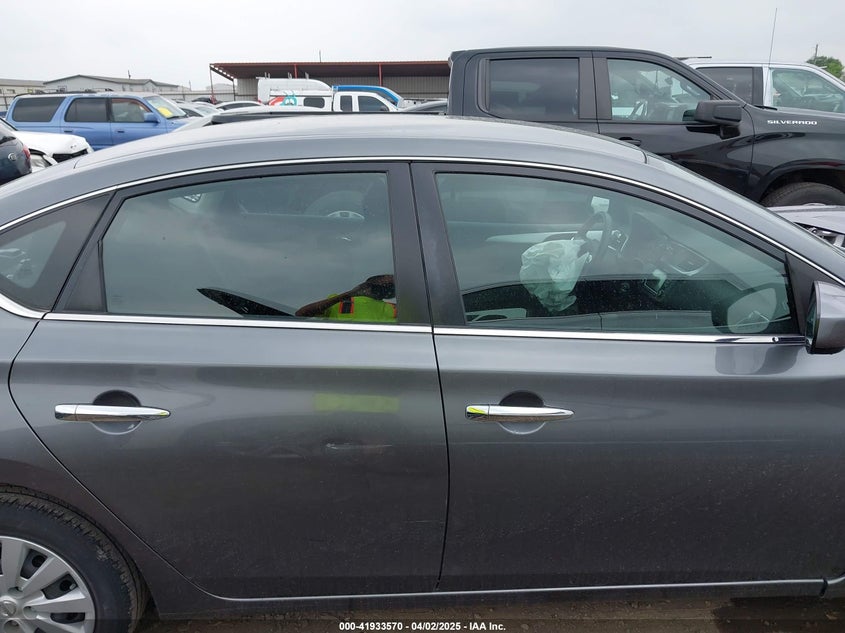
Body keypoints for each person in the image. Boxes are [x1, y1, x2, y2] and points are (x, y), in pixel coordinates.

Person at [295, 274, 396, 322]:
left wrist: (348, 294)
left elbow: (301, 313)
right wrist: (349, 294)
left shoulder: (338, 301)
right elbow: (301, 314)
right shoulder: (340, 302)